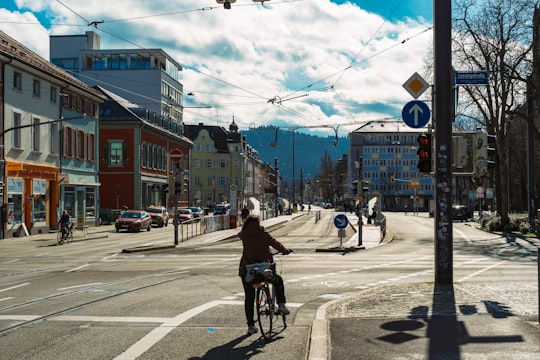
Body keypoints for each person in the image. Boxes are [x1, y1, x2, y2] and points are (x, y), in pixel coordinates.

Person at [238, 208, 293, 335]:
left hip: (247, 268)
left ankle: (251, 327)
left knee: (249, 298)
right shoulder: (263, 233)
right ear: (258, 223)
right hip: (264, 268)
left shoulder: (244, 234)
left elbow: (240, 235)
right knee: (278, 280)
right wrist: (286, 251)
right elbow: (276, 244)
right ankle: (282, 305)